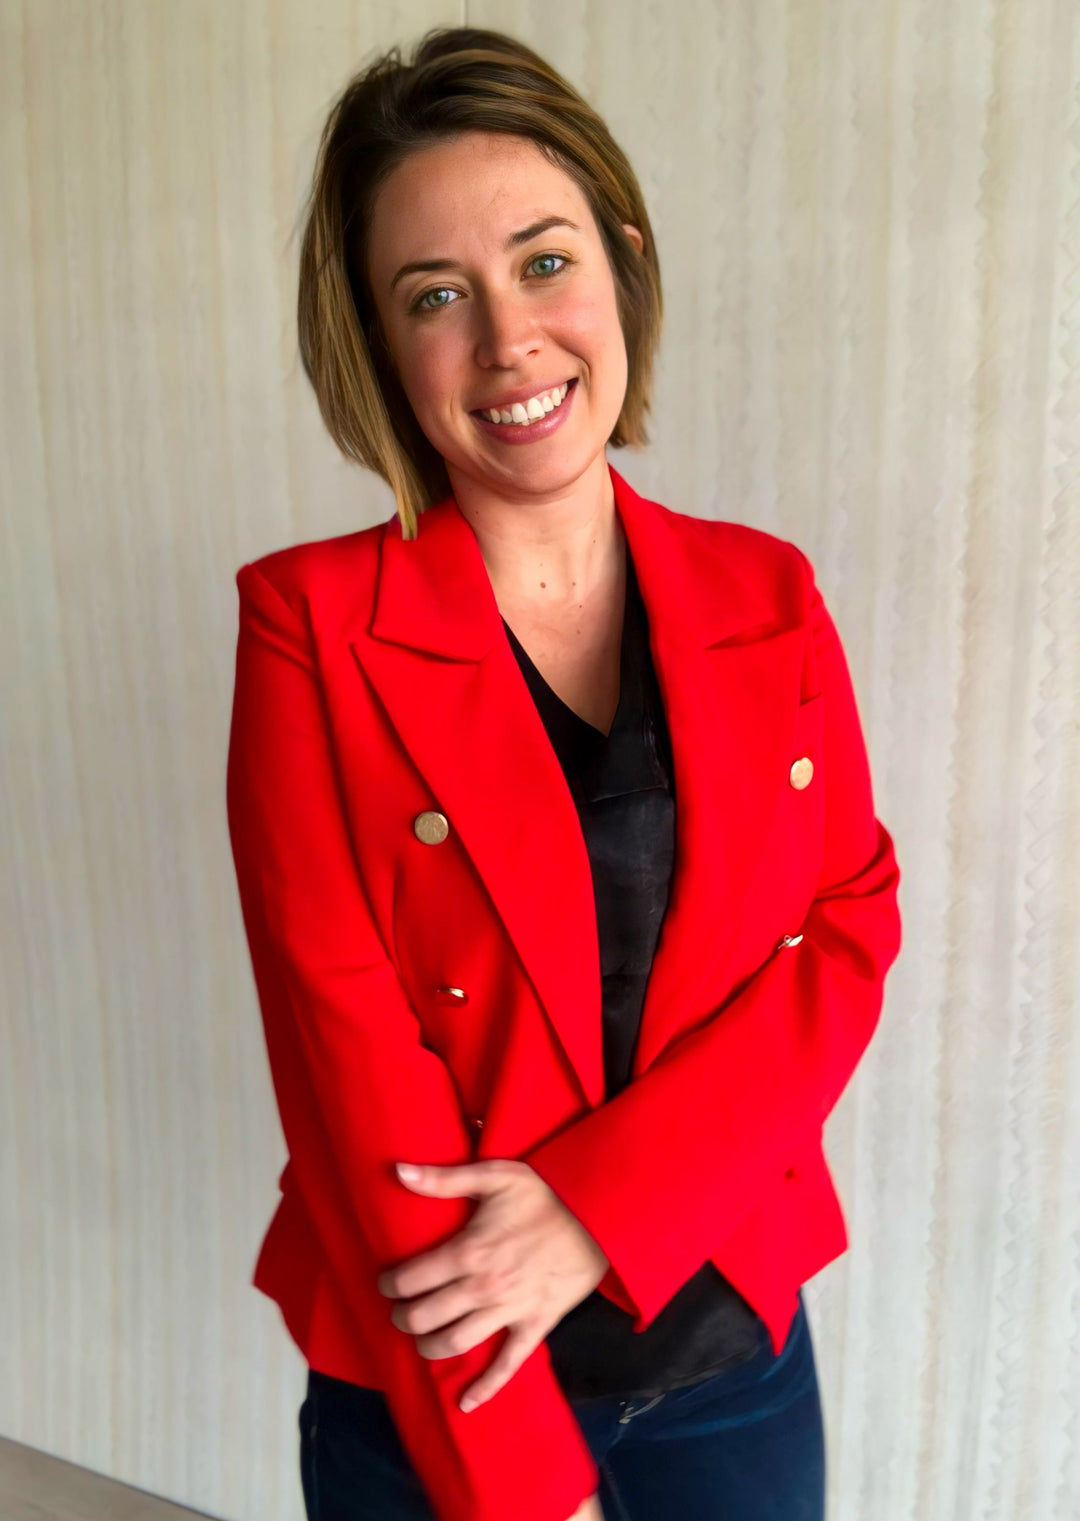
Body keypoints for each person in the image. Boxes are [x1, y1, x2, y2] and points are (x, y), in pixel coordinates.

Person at [225, 25, 903, 1521]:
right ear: (379, 346)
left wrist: (605, 1208)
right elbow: (349, 1069)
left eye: (542, 263)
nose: (509, 342)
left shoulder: (766, 592)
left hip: (733, 1354)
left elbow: (845, 930)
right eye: (435, 296)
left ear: (622, 262)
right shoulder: (308, 628)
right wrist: (521, 1488)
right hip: (443, 1388)